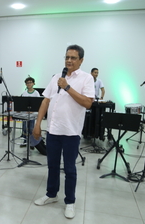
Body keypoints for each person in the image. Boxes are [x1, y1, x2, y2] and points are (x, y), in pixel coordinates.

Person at [33, 45, 94, 219]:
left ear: (81, 60)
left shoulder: (86, 78)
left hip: (71, 132)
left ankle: (70, 202)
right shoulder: (56, 78)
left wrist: (67, 87)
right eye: (67, 57)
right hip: (53, 130)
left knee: (69, 169)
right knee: (52, 165)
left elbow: (88, 103)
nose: (69, 60)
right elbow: (46, 101)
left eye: (73, 58)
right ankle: (51, 194)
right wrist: (38, 124)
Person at [20, 77, 40, 148]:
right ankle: (25, 141)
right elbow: (22, 103)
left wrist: (33, 110)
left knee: (31, 128)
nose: (29, 84)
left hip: (32, 114)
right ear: (26, 84)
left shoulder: (36, 93)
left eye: (30, 82)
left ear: (33, 83)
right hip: (25, 114)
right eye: (27, 83)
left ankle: (32, 143)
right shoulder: (24, 93)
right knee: (24, 128)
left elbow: (38, 103)